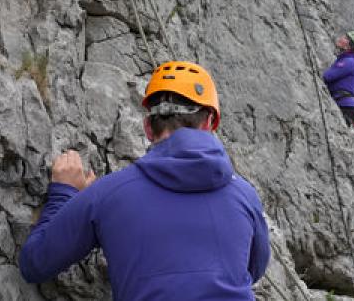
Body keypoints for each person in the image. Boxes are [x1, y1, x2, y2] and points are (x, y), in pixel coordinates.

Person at [19, 61, 270, 300]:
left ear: (148, 127)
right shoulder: (245, 196)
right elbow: (253, 269)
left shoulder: (108, 194)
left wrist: (65, 193)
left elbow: (35, 263)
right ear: (210, 123)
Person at [323, 31, 354, 127]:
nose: (342, 37)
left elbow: (327, 77)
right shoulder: (348, 60)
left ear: (349, 46)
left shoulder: (348, 62)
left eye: (346, 38)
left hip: (344, 106)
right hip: (346, 105)